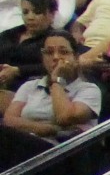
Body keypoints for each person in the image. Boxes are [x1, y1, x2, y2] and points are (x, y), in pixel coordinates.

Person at [0, 30, 98, 161]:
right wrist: (47, 128)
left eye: (63, 52)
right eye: (49, 52)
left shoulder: (89, 89)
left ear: (76, 57)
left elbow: (64, 117)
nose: (56, 57)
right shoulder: (30, 86)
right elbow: (9, 120)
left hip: (62, 155)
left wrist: (57, 80)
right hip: (25, 147)